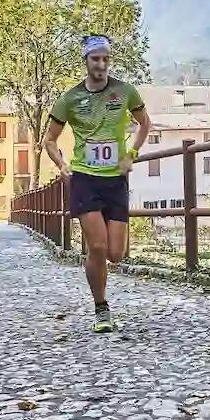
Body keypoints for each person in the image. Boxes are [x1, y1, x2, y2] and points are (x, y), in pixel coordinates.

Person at [44, 34, 152, 332]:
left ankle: (100, 292)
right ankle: (101, 308)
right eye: (96, 59)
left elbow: (145, 123)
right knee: (98, 245)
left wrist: (131, 153)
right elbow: (49, 140)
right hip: (85, 179)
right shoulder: (70, 99)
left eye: (105, 59)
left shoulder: (125, 91)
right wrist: (62, 164)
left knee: (116, 253)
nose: (101, 65)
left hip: (115, 179)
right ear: (86, 62)